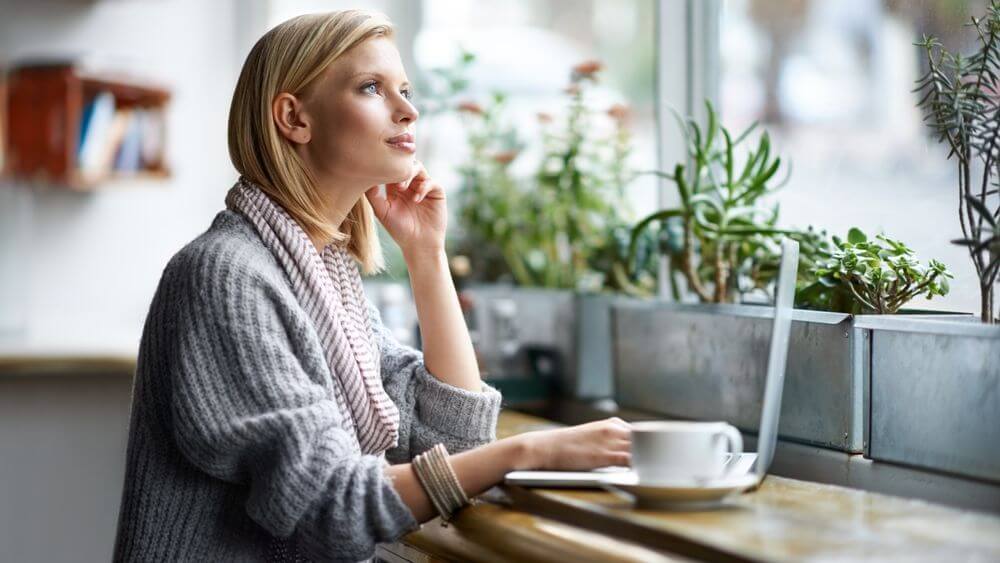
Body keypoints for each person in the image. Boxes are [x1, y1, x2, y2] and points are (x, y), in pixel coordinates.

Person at [112, 9, 631, 562]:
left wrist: (426, 255)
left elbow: (451, 440)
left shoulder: (321, 275)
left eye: (405, 89)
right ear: (294, 117)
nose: (408, 110)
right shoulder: (225, 276)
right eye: (371, 88)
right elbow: (331, 506)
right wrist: (529, 452)